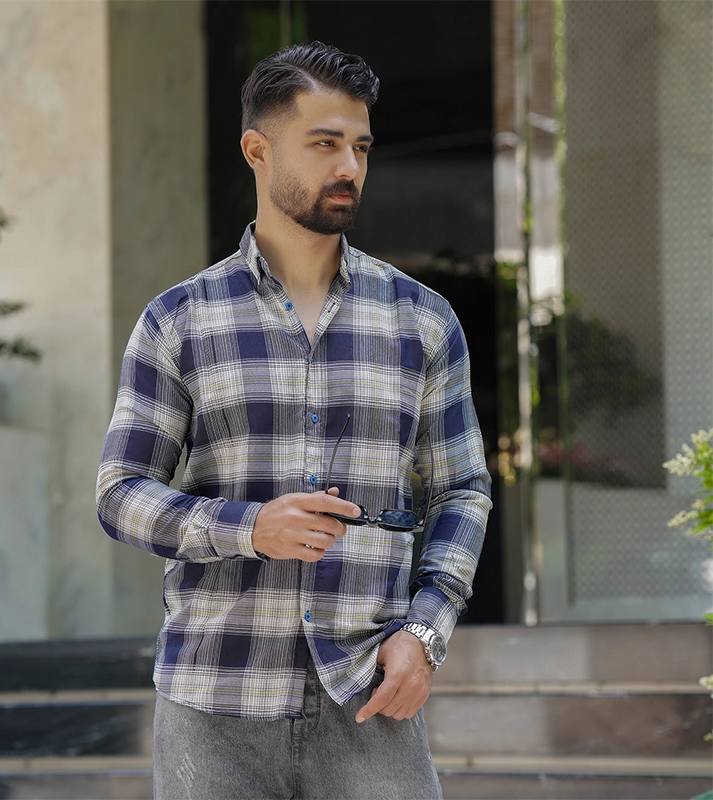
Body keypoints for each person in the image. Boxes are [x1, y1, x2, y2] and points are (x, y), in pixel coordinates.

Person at [96, 41, 491, 800]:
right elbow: (119, 493)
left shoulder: (422, 320)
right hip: (213, 703)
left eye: (360, 147)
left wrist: (426, 631)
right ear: (258, 150)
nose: (349, 167)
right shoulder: (178, 320)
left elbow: (462, 491)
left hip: (368, 696)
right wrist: (249, 527)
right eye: (324, 143)